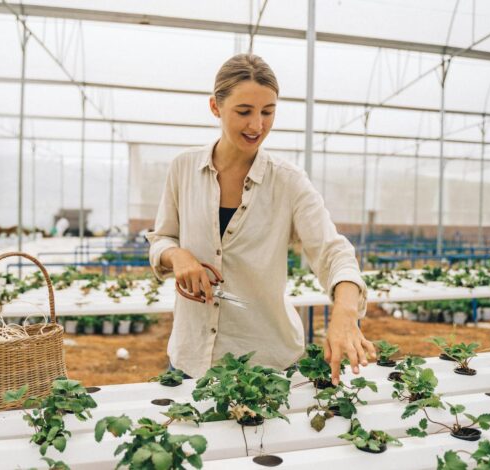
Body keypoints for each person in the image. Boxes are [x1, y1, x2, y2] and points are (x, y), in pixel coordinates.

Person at [146, 53, 374, 385]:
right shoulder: (183, 169)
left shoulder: (289, 182)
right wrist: (177, 255)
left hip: (268, 364)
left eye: (268, 112)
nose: (257, 126)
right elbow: (162, 238)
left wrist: (345, 312)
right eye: (244, 112)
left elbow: (333, 251)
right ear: (215, 107)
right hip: (191, 359)